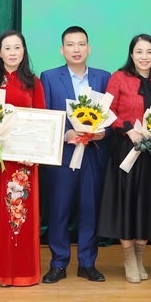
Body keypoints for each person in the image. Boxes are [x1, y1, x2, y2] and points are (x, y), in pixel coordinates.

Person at [40, 26, 111, 283]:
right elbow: (46, 115)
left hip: (93, 154)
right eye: (70, 45)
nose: (76, 49)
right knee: (59, 209)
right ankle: (58, 263)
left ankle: (87, 263)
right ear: (62, 50)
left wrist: (103, 132)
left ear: (89, 48)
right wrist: (66, 133)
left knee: (89, 209)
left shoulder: (104, 77)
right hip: (63, 155)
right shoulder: (49, 77)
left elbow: (111, 116)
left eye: (81, 44)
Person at [96, 34, 151, 283]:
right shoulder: (119, 78)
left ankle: (139, 258)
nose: (144, 57)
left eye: (149, 52)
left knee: (147, 204)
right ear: (131, 54)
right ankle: (128, 260)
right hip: (125, 149)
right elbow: (107, 110)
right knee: (126, 204)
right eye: (139, 52)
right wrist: (129, 130)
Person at [0, 30, 45, 287]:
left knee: (21, 214)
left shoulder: (33, 82)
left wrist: (34, 152)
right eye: (7, 48)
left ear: (24, 51)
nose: (13, 52)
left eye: (17, 47)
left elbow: (41, 118)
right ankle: (0, 271)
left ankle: (23, 271)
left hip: (23, 161)